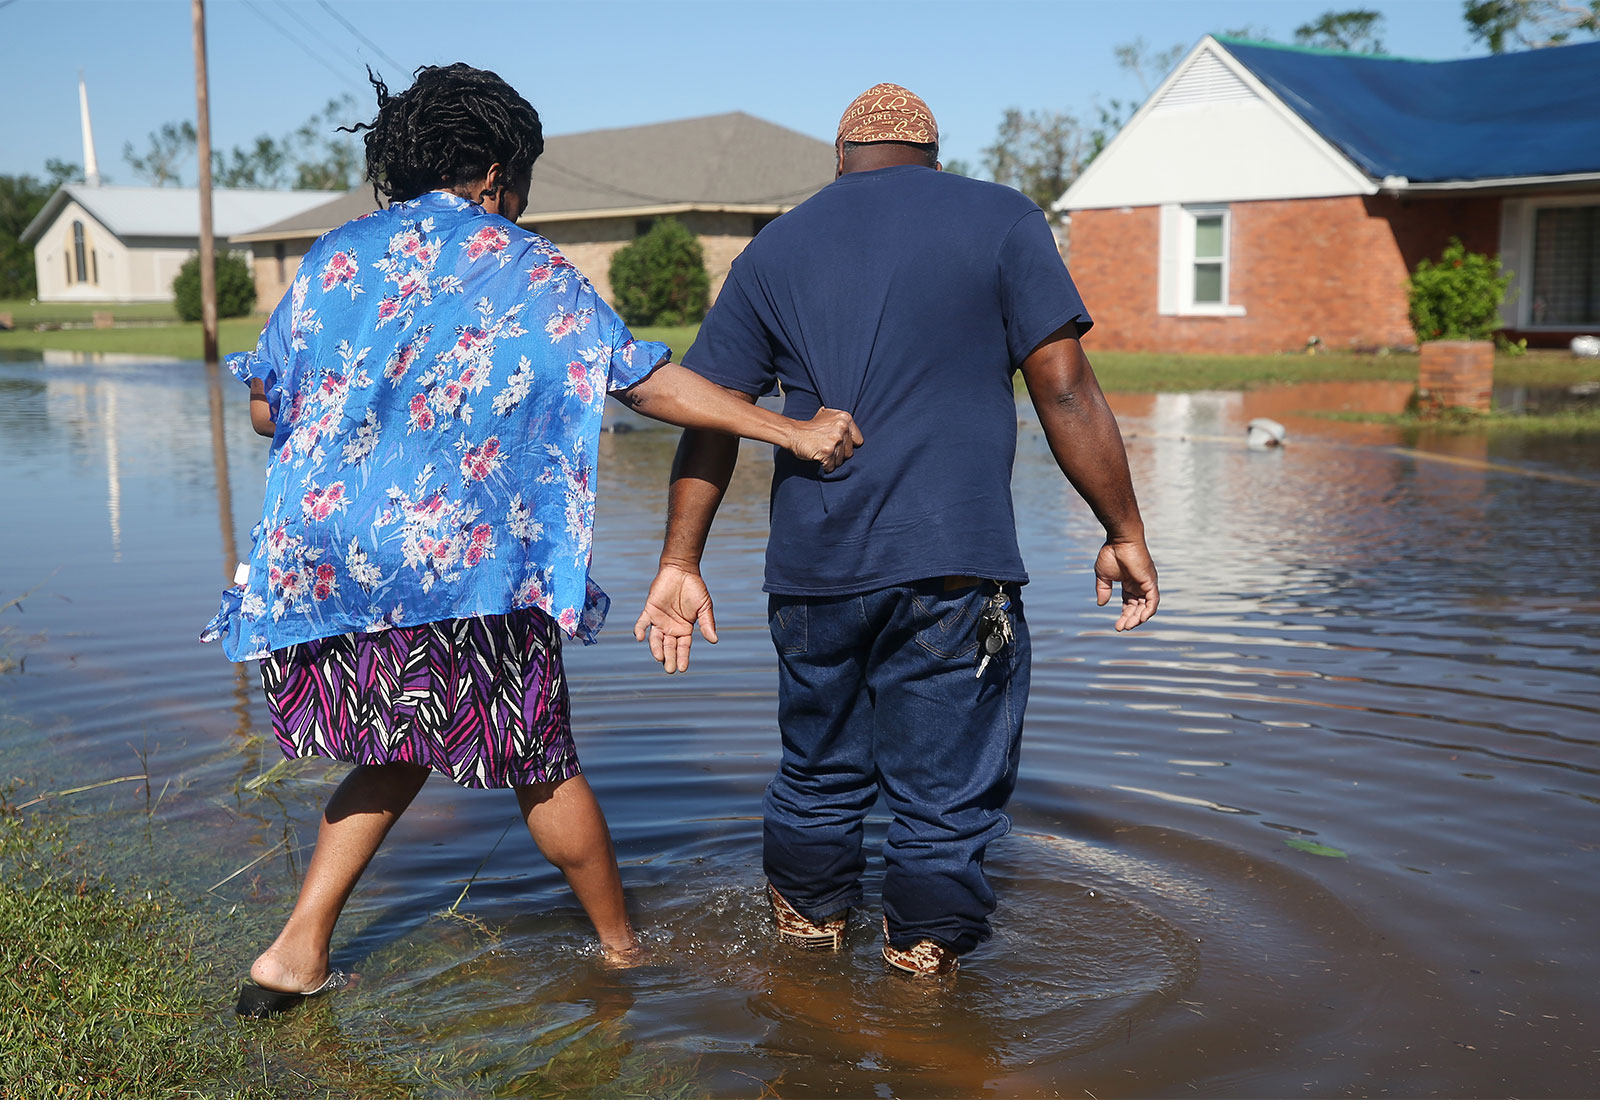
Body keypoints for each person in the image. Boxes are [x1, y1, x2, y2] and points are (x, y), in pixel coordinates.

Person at [203, 63, 861, 1017]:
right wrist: (790, 432)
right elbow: (639, 381)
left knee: (398, 742)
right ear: (500, 170)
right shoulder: (521, 264)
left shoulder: (333, 258)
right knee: (537, 755)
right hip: (460, 567)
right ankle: (625, 955)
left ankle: (294, 953)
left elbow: (269, 408)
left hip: (337, 564)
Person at [633, 84, 1158, 977]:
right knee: (942, 802)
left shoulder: (776, 246)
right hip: (955, 568)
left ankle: (806, 969)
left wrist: (680, 559)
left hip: (813, 573)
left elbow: (710, 413)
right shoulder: (1001, 221)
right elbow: (1064, 384)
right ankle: (923, 994)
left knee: (818, 776)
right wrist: (1122, 527)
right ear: (932, 156)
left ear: (840, 159)